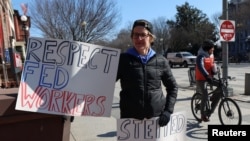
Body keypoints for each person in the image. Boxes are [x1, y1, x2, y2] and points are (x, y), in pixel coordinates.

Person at [116, 19, 178, 127]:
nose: (139, 38)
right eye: (135, 35)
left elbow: (173, 87)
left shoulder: (161, 60)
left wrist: (168, 111)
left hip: (156, 120)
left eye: (143, 35)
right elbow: (103, 84)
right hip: (130, 120)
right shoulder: (123, 60)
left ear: (150, 37)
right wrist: (76, 108)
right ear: (132, 37)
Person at [195, 39, 217, 122]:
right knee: (205, 95)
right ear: (207, 48)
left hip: (209, 77)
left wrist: (215, 71)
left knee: (220, 86)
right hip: (201, 79)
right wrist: (206, 75)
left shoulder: (211, 55)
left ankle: (213, 98)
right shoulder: (200, 56)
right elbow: (201, 66)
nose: (213, 49)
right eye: (212, 48)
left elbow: (212, 65)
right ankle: (202, 114)